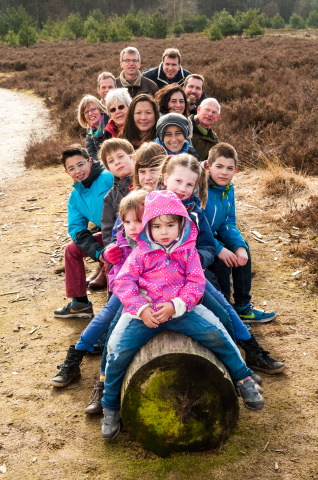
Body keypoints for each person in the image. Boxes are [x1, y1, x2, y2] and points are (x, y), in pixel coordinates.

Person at [101, 190, 264, 440]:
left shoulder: (188, 253)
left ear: (182, 225)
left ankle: (244, 379)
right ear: (148, 227)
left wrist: (177, 305)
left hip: (182, 310)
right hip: (144, 315)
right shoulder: (140, 254)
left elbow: (196, 284)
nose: (164, 231)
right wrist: (142, 309)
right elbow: (123, 284)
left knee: (217, 333)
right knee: (117, 351)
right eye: (156, 226)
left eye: (170, 225)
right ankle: (110, 406)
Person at [161, 153, 285, 374]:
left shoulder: (195, 213)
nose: (182, 188)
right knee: (114, 313)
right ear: (165, 179)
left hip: (191, 273)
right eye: (178, 181)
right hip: (152, 278)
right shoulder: (148, 206)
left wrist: (196, 259)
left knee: (222, 306)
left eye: (189, 184)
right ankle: (102, 376)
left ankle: (249, 349)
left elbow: (208, 246)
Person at [50, 190, 148, 411]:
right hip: (126, 292)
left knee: (113, 330)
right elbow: (114, 273)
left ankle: (103, 382)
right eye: (127, 222)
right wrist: (120, 287)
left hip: (152, 295)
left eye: (139, 221)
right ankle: (74, 357)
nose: (132, 227)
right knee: (104, 319)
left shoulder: (156, 239)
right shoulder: (122, 241)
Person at [204, 142, 281, 329]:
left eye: (229, 168)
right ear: (208, 166)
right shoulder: (200, 189)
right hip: (198, 243)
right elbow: (196, 229)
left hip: (211, 238)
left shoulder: (228, 189)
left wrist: (238, 247)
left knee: (242, 246)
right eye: (219, 166)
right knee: (222, 261)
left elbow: (228, 223)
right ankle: (225, 312)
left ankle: (242, 307)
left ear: (235, 170)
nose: (224, 172)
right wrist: (219, 249)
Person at [53, 145, 113, 319]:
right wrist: (96, 251)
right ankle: (79, 303)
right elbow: (77, 229)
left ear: (91, 161)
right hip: (106, 238)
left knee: (112, 256)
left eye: (81, 164)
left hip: (127, 235)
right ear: (66, 172)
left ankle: (114, 305)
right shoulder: (75, 198)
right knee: (71, 250)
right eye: (71, 168)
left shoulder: (108, 178)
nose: (78, 171)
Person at [100, 138, 135, 246]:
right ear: (109, 169)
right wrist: (111, 252)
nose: (117, 162)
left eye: (120, 156)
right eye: (111, 161)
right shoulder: (110, 198)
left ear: (133, 158)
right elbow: (108, 230)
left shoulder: (146, 182)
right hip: (127, 247)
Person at [77, 95, 108, 163]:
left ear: (100, 109)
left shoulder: (110, 124)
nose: (90, 113)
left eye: (93, 109)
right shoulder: (90, 132)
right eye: (86, 112)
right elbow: (92, 154)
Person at [190, 97, 221, 162]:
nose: (210, 114)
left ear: (217, 117)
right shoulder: (184, 127)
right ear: (198, 109)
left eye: (214, 112)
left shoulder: (214, 140)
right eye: (207, 110)